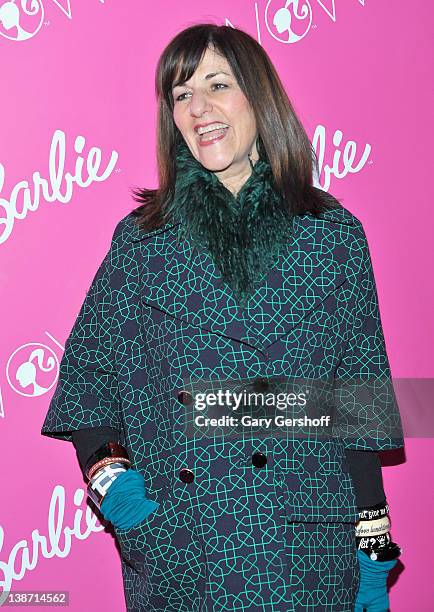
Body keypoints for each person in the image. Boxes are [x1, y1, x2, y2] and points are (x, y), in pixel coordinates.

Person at [41, 24, 404, 612]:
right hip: (188, 549)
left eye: (217, 84)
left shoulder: (335, 237)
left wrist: (372, 547)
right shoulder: (143, 242)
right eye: (181, 94)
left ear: (258, 97)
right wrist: (125, 499)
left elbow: (358, 405)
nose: (198, 108)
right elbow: (88, 380)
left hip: (308, 554)